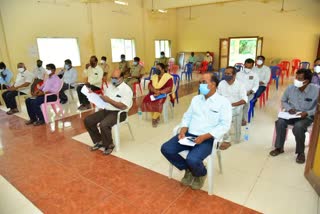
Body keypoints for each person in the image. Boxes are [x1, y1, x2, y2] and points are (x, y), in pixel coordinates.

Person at [161, 73, 232, 190]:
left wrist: (204, 137)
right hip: (190, 135)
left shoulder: (223, 102)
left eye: (203, 82)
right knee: (166, 149)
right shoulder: (196, 99)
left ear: (213, 85)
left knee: (192, 158)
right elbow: (188, 116)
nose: (200, 85)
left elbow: (225, 125)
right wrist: (183, 129)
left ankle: (201, 173)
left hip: (208, 137)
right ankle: (189, 169)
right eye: (200, 83)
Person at [270, 69, 319, 164]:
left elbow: (318, 107)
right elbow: (283, 100)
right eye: (296, 77)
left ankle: (300, 153)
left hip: (306, 116)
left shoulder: (316, 90)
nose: (296, 80)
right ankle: (279, 148)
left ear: (307, 81)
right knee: (280, 122)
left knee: (299, 127)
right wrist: (289, 109)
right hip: (291, 114)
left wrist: (308, 113)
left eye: (299, 79)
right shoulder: (290, 88)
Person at [84, 69, 133, 155]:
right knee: (88, 120)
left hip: (119, 113)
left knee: (104, 124)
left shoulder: (126, 89)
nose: (113, 79)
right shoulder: (110, 86)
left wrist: (109, 100)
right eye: (112, 77)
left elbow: (123, 106)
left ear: (121, 78)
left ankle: (109, 145)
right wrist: (94, 95)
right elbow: (104, 98)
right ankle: (100, 141)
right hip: (106, 109)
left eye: (115, 78)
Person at [218, 66, 247, 150]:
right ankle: (226, 140)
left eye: (228, 74)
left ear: (234, 75)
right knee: (222, 117)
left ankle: (237, 137)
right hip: (224, 107)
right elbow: (218, 96)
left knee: (227, 116)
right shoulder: (221, 83)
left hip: (236, 107)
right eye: (225, 73)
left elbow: (244, 100)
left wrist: (232, 104)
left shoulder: (240, 85)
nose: (226, 75)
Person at [141, 63, 174, 127]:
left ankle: (154, 118)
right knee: (147, 100)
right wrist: (154, 91)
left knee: (158, 102)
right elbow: (150, 85)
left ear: (163, 69)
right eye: (156, 68)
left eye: (158, 69)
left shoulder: (168, 77)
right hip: (154, 92)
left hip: (164, 94)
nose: (156, 70)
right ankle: (155, 116)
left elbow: (169, 88)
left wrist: (160, 92)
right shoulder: (154, 76)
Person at [236, 58, 259, 126]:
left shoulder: (255, 75)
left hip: (249, 94)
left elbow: (256, 85)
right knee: (236, 104)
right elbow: (235, 84)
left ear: (252, 66)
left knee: (246, 104)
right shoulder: (238, 74)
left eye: (249, 66)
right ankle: (236, 118)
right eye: (246, 66)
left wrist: (251, 91)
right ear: (244, 65)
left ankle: (244, 119)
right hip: (239, 94)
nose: (247, 68)